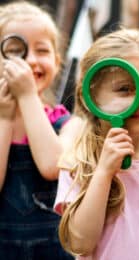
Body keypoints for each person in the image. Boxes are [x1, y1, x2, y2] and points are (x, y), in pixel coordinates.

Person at [54, 28, 139, 260]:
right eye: (125, 89)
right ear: (92, 97)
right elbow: (79, 242)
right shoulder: (77, 165)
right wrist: (104, 172)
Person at [0, 2, 73, 259]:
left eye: (41, 50)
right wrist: (5, 117)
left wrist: (28, 96)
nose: (30, 60)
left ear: (57, 61)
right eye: (15, 50)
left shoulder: (67, 123)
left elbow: (53, 165)